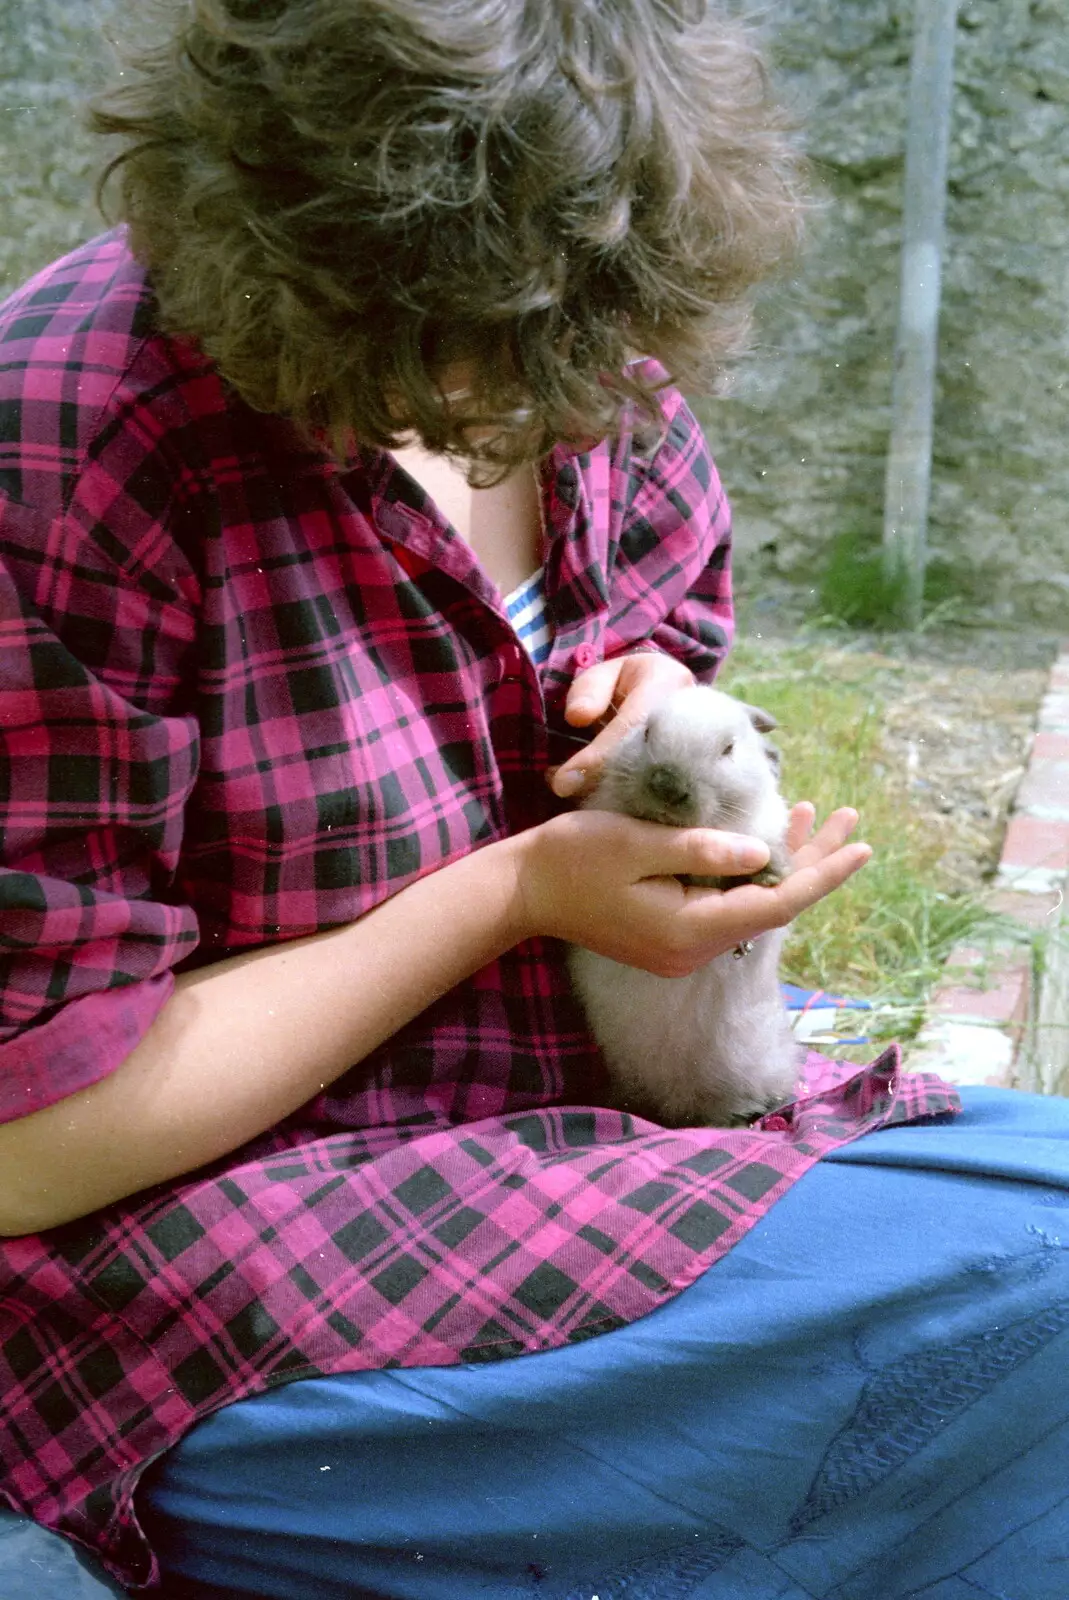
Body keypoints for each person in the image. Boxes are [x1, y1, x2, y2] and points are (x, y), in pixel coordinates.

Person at [0, 3, 1065, 1597]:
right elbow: (29, 1140)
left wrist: (657, 744)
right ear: (302, 236)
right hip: (208, 1264)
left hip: (586, 1146)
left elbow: (639, 666)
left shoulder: (586, 367)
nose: (529, 398)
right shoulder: (78, 442)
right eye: (460, 335)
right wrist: (516, 892)